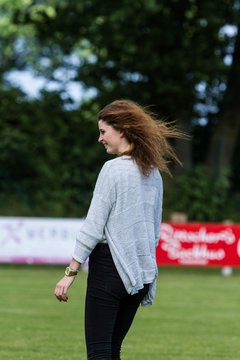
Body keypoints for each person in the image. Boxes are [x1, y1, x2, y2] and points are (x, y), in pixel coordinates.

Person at [54, 99, 184, 360]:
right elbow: (154, 230)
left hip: (109, 269)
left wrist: (70, 272)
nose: (100, 138)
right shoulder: (153, 172)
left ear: (121, 130)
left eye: (103, 131)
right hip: (141, 274)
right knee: (112, 351)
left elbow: (93, 226)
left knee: (99, 353)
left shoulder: (112, 170)